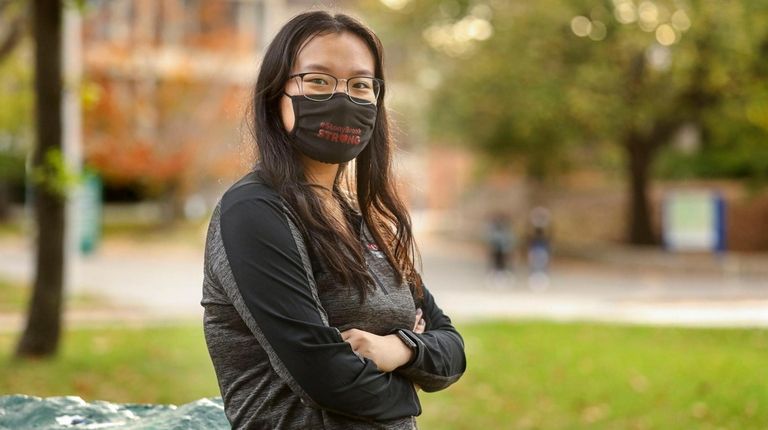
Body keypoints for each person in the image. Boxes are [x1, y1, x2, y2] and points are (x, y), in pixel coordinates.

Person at [200, 11, 466, 430]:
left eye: (360, 85)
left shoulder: (364, 221)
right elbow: (326, 378)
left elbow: (452, 347)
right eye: (318, 81)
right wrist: (411, 388)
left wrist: (396, 350)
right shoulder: (254, 212)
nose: (343, 100)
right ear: (276, 94)